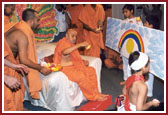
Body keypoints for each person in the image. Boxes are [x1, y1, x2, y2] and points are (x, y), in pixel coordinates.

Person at [5, 8, 51, 100]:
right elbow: (24, 60)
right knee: (9, 100)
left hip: (8, 62)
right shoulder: (22, 35)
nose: (39, 23)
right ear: (30, 21)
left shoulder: (18, 26)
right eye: (38, 20)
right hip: (6, 67)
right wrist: (40, 68)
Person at [53, 29, 108, 101]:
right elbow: (65, 52)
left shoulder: (71, 45)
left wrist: (82, 61)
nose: (74, 38)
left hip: (73, 65)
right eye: (72, 36)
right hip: (64, 67)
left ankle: (96, 93)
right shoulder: (62, 43)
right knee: (80, 76)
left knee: (91, 70)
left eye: (75, 36)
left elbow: (74, 57)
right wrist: (79, 45)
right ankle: (93, 97)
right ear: (66, 36)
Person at [120, 4, 143, 85]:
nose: (125, 14)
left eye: (126, 12)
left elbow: (141, 31)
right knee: (125, 63)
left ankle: (133, 80)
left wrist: (134, 25)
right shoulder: (123, 21)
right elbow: (121, 33)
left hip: (134, 46)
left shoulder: (138, 20)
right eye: (124, 12)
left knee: (133, 63)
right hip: (125, 46)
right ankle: (126, 79)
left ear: (132, 11)